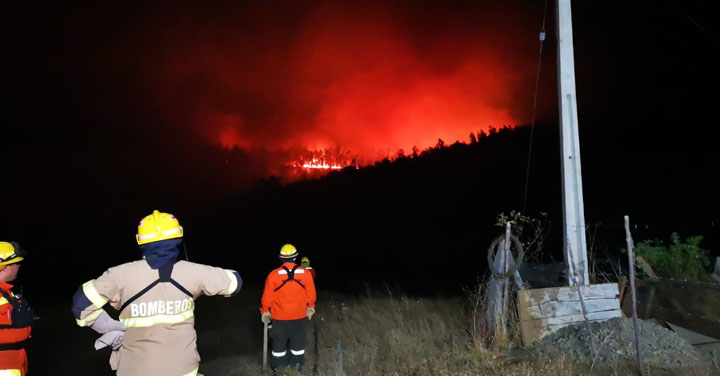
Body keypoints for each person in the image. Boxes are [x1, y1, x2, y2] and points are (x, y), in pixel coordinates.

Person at [72, 210, 242, 376]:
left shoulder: (119, 275)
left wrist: (111, 326)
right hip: (183, 370)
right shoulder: (193, 272)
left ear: (140, 241)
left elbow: (81, 305)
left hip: (134, 370)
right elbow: (235, 282)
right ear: (178, 237)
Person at [261, 244, 316, 372]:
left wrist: (265, 311)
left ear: (281, 258)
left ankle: (279, 369)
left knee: (279, 345)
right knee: (298, 344)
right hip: (300, 316)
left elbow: (267, 296)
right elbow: (311, 293)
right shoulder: (306, 273)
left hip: (279, 318)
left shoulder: (273, 275)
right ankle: (297, 368)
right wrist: (311, 306)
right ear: (296, 257)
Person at [0, 241, 34, 376]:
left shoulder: (8, 293)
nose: (19, 266)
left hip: (15, 361)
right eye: (16, 263)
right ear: (6, 267)